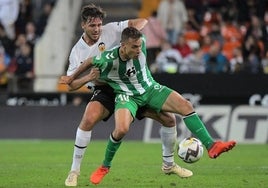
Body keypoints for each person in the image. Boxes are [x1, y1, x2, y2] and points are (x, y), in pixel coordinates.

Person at [61, 27, 236, 185]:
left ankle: (211, 145)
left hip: (150, 89)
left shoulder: (141, 41)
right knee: (121, 129)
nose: (139, 50)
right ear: (123, 46)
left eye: (139, 46)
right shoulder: (108, 58)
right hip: (127, 96)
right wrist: (72, 77)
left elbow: (141, 27)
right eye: (134, 47)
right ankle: (105, 166)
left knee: (185, 106)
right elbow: (89, 61)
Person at [63, 4, 192, 187]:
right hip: (105, 89)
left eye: (99, 25)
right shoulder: (77, 52)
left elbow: (142, 21)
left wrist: (132, 36)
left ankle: (169, 164)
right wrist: (88, 78)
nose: (97, 29)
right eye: (92, 26)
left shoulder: (113, 29)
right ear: (83, 25)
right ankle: (74, 171)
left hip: (130, 85)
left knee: (169, 119)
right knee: (88, 118)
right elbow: (70, 86)